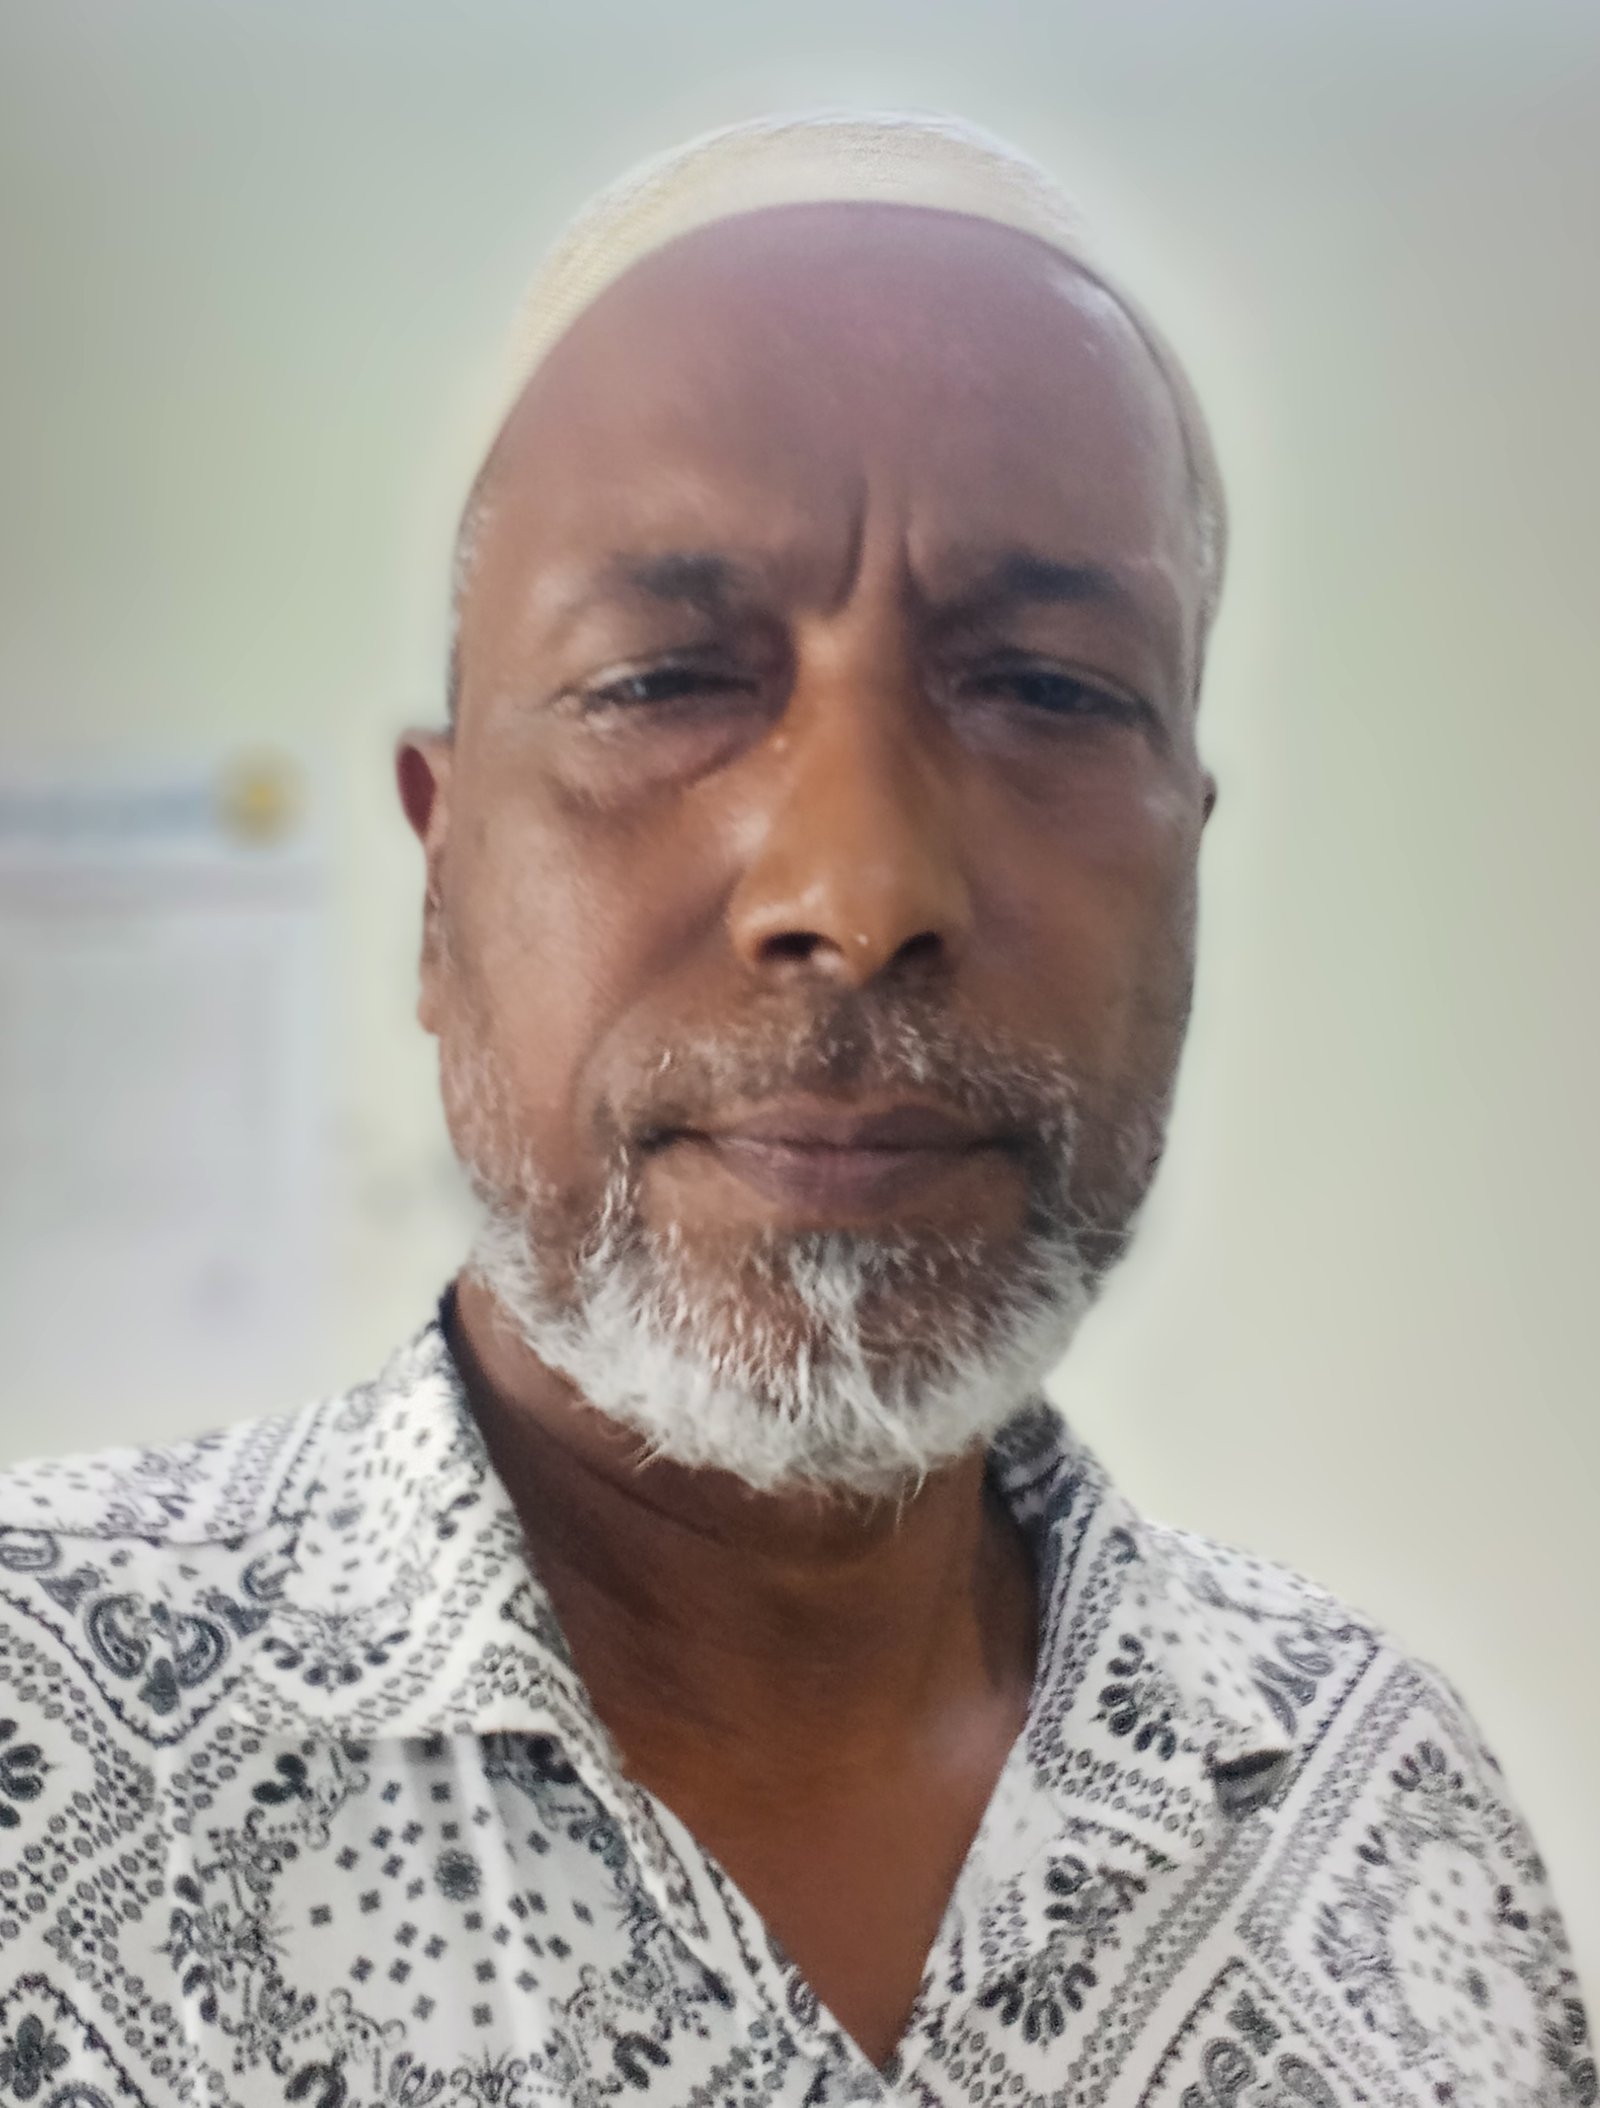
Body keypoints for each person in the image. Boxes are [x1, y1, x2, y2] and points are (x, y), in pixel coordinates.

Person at [0, 111, 1588, 2108]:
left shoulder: (1385, 1804)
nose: (857, 888)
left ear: (1187, 861)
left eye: (1050, 688)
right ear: (437, 885)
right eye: (664, 679)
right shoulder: (32, 1723)